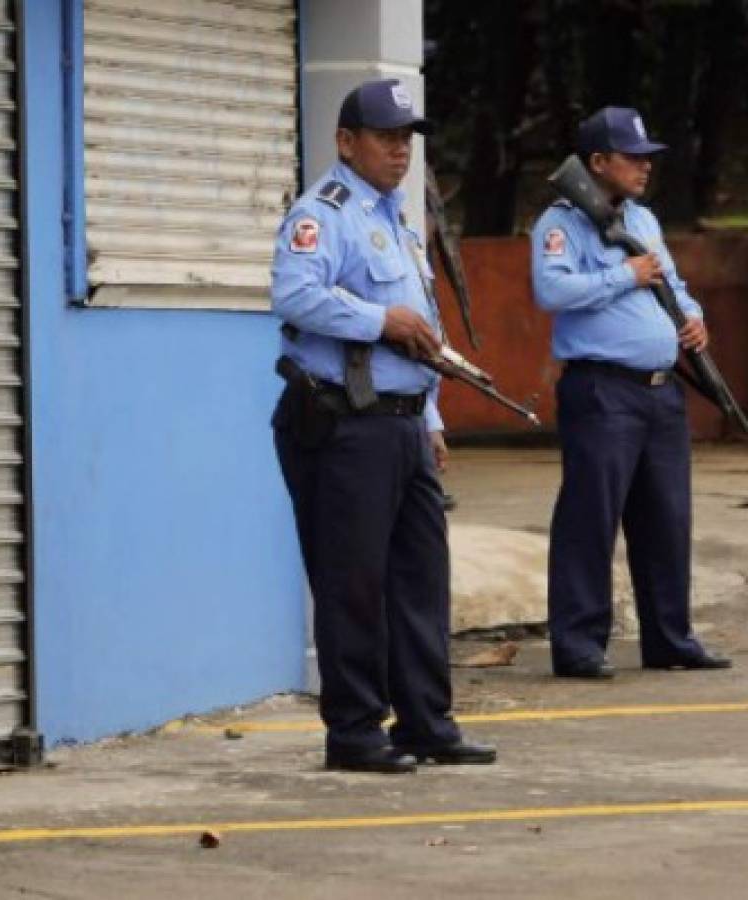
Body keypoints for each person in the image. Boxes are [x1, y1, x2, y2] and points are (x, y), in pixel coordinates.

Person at [270, 79, 495, 774]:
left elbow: (420, 337)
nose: (400, 150)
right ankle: (356, 732)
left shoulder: (397, 220)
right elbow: (295, 293)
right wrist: (379, 320)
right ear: (346, 142)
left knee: (421, 579)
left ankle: (427, 723)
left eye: (407, 139)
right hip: (345, 425)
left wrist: (429, 416)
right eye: (386, 137)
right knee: (353, 582)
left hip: (401, 424)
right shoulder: (323, 213)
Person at [531, 106, 732, 679]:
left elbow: (674, 284)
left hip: (661, 391)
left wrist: (693, 319)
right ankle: (578, 644)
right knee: (591, 516)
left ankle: (670, 637)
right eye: (633, 157)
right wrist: (625, 276)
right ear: (598, 162)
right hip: (603, 389)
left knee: (667, 517)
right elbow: (552, 291)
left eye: (648, 157)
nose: (645, 167)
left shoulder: (641, 220)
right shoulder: (560, 222)